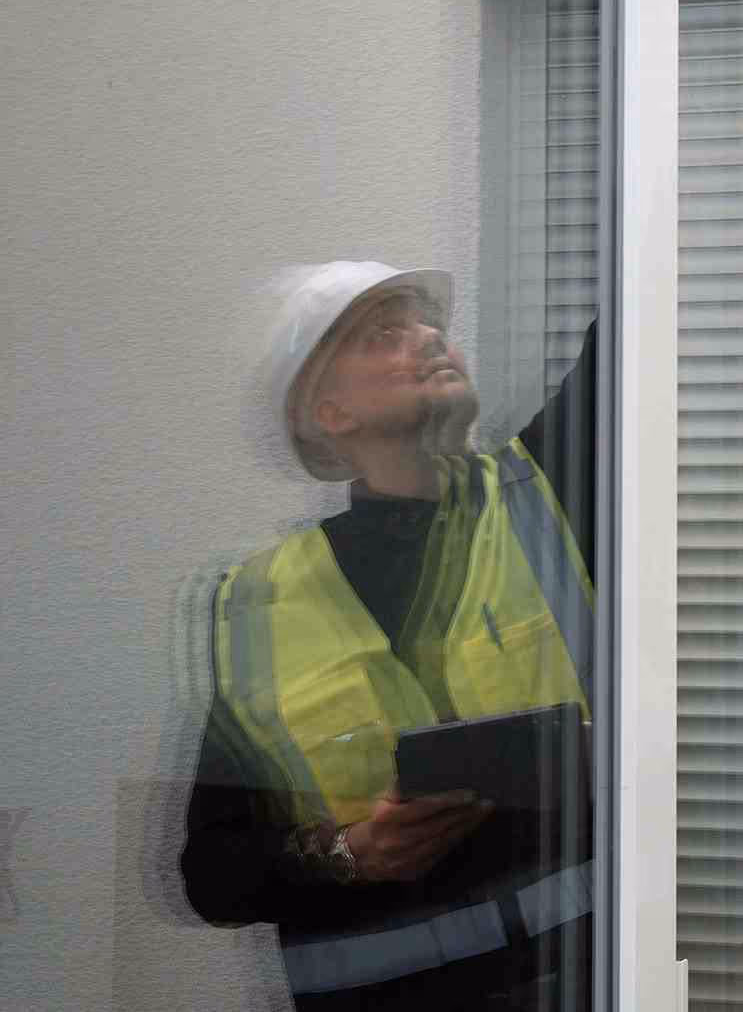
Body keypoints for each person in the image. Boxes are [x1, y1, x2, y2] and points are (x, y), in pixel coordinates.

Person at [180, 261, 597, 1011]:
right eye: (384, 334)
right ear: (330, 414)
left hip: (585, 982)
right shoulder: (264, 605)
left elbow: (651, 292)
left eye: (428, 323)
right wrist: (351, 855)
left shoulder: (550, 492)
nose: (430, 337)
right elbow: (212, 873)